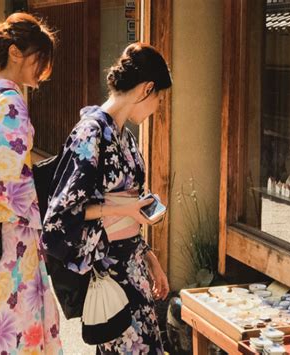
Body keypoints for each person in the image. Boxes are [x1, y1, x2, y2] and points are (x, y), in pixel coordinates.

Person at [41, 42, 172, 354]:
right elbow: (61, 213)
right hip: (110, 272)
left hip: (133, 266)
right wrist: (126, 206)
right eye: (159, 99)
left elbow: (130, 211)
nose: (157, 107)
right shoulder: (91, 132)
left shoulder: (122, 135)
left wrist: (151, 259)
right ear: (147, 89)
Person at [0, 12, 63, 354]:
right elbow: (0, 176)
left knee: (18, 324)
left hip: (1, 230)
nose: (41, 70)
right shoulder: (10, 103)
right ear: (15, 53)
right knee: (23, 328)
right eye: (39, 59)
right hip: (14, 233)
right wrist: (39, 201)